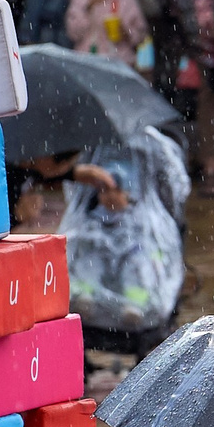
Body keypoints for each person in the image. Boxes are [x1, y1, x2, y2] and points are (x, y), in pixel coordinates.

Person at [61, 123, 189, 349]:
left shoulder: (142, 214)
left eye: (115, 190)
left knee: (139, 266)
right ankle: (86, 295)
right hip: (100, 244)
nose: (110, 197)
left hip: (134, 247)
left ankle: (135, 302)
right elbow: (80, 221)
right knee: (88, 260)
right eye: (104, 191)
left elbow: (152, 233)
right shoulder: (93, 211)